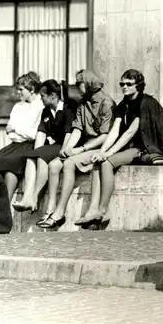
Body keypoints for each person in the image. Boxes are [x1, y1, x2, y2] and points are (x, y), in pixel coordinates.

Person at [76, 69, 163, 230]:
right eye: (122, 83)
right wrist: (101, 152)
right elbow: (115, 130)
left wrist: (108, 154)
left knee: (107, 163)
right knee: (98, 162)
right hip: (129, 147)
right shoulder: (123, 104)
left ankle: (102, 211)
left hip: (142, 147)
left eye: (128, 84)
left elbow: (130, 132)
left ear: (138, 86)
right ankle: (92, 210)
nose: (124, 87)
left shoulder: (145, 103)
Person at [40, 70, 116, 228]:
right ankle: (50, 209)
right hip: (85, 146)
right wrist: (67, 148)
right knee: (54, 165)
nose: (76, 86)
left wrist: (80, 149)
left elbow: (104, 136)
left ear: (88, 83)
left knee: (68, 164)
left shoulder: (106, 103)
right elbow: (77, 129)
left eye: (79, 83)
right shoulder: (83, 103)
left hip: (101, 147)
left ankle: (60, 212)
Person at [12, 80, 78, 227]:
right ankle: (28, 197)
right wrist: (35, 152)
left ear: (53, 95)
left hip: (66, 146)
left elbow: (69, 134)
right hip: (54, 146)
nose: (40, 98)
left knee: (41, 158)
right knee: (32, 156)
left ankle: (35, 198)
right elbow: (41, 134)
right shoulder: (46, 111)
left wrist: (63, 153)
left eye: (43, 95)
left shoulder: (67, 108)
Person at [0, 72, 44, 201]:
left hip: (32, 145)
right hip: (16, 144)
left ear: (31, 89)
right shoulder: (18, 106)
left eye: (21, 89)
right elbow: (9, 131)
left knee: (12, 163)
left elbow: (34, 134)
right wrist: (18, 131)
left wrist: (16, 129)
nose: (18, 93)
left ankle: (6, 202)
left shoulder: (41, 106)